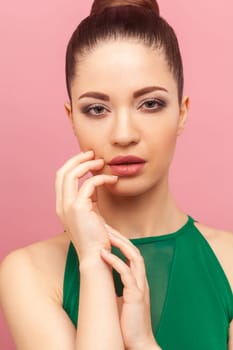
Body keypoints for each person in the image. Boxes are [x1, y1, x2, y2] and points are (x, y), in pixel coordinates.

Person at [0, 0, 233, 349]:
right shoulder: (28, 272)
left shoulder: (230, 263)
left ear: (182, 113)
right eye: (97, 109)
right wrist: (93, 264)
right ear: (72, 118)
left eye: (150, 103)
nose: (124, 134)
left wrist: (142, 342)